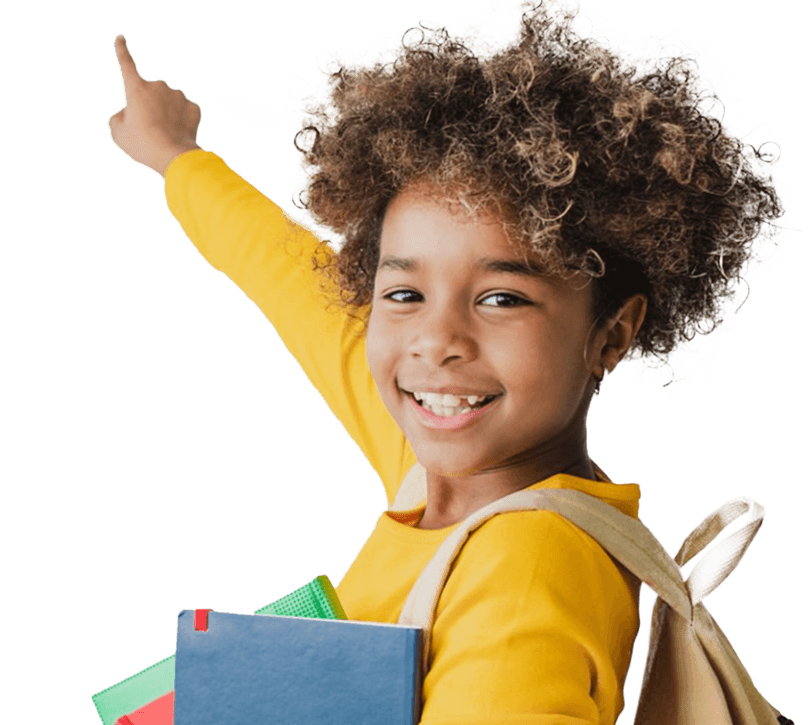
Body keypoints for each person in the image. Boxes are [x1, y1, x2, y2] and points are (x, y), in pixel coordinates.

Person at [108, 2, 793, 722]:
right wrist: (176, 156)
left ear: (610, 334)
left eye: (501, 298)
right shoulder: (438, 460)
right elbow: (286, 274)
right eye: (405, 293)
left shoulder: (524, 568)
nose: (436, 340)